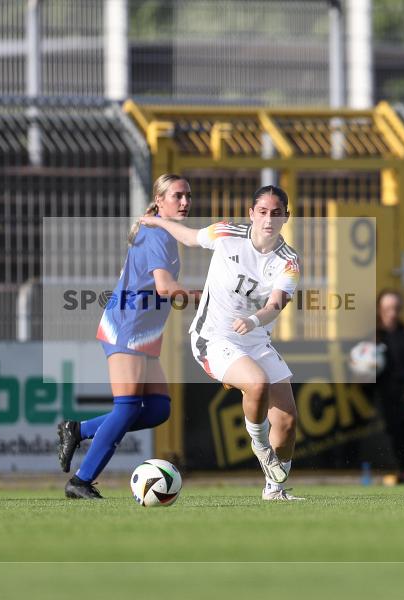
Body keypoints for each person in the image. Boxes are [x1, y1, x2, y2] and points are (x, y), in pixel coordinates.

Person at [140, 185, 303, 501]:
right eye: (263, 212)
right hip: (212, 338)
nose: (269, 219)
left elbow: (275, 305)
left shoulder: (289, 260)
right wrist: (158, 221)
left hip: (255, 337)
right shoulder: (227, 233)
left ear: (286, 216)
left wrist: (254, 320)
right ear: (251, 213)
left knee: (287, 420)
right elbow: (188, 237)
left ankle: (274, 489)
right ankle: (259, 443)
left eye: (276, 213)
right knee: (256, 383)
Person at [57, 174, 193, 499]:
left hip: (144, 331)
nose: (185, 202)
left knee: (158, 409)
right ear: (159, 201)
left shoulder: (162, 231)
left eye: (188, 195)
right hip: (127, 328)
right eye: (178, 196)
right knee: (128, 406)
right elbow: (165, 288)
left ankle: (78, 429)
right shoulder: (158, 233)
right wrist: (207, 297)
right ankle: (81, 481)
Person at [371, 290, 404, 484]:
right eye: (387, 309)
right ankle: (399, 472)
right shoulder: (374, 336)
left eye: (395, 309)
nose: (391, 313)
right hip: (387, 394)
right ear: (380, 310)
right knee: (394, 434)